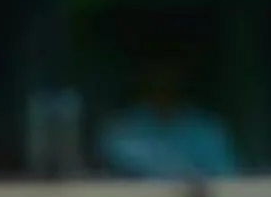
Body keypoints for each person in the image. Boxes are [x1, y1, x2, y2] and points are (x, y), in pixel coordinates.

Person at [96, 49, 238, 178]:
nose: (163, 81)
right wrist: (185, 175)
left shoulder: (207, 129)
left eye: (170, 73)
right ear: (144, 77)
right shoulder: (121, 129)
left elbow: (226, 176)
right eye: (157, 73)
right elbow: (118, 163)